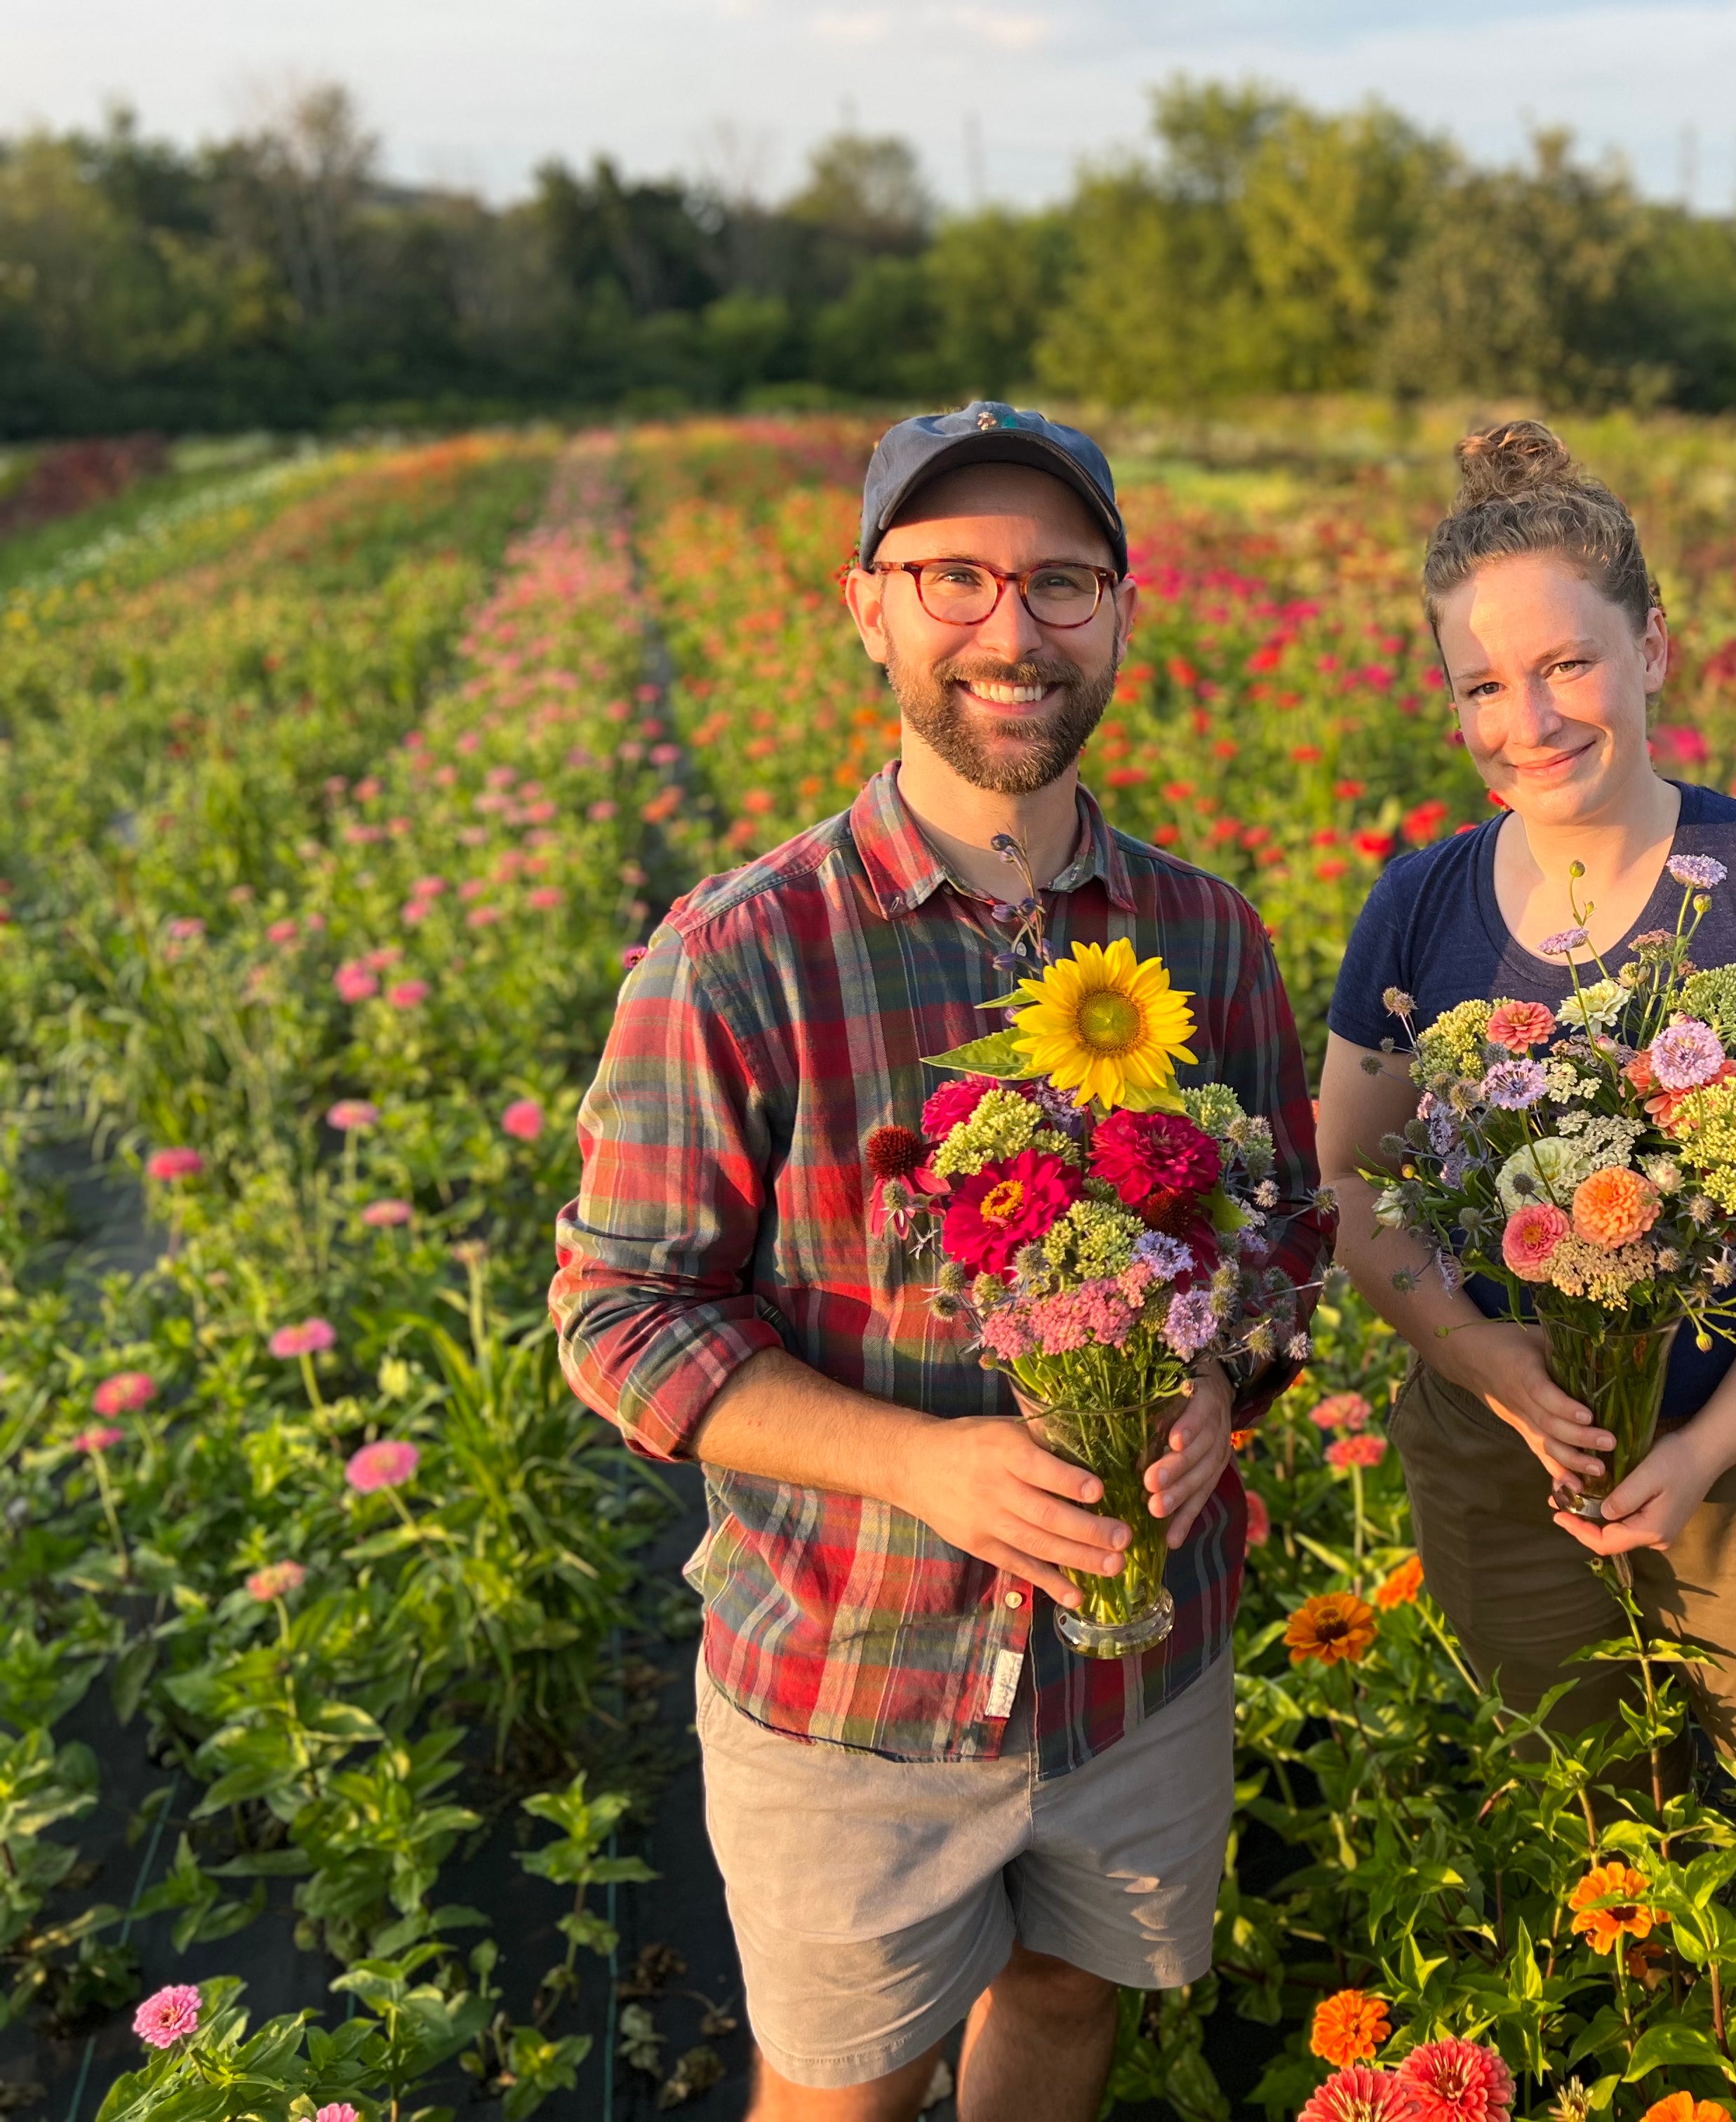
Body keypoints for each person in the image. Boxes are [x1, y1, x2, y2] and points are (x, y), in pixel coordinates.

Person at [551, 403, 1322, 2122]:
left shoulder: (1207, 937)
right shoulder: (739, 956)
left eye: (1060, 584)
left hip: (1141, 1671)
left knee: (1063, 2009)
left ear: (1120, 614)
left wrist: (1214, 1378)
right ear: (868, 604)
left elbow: (1281, 1242)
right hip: (856, 1681)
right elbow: (621, 1314)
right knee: (843, 2086)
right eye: (953, 576)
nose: (1010, 629)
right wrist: (921, 1462)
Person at [1317, 419, 1736, 1881]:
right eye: (1483, 684)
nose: (1525, 721)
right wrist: (1487, 1367)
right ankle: (1655, 2018)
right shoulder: (1419, 907)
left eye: (1566, 666)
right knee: (1582, 1777)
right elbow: (1349, 1176)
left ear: (1654, 647)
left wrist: (1711, 1439)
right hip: (1507, 1455)